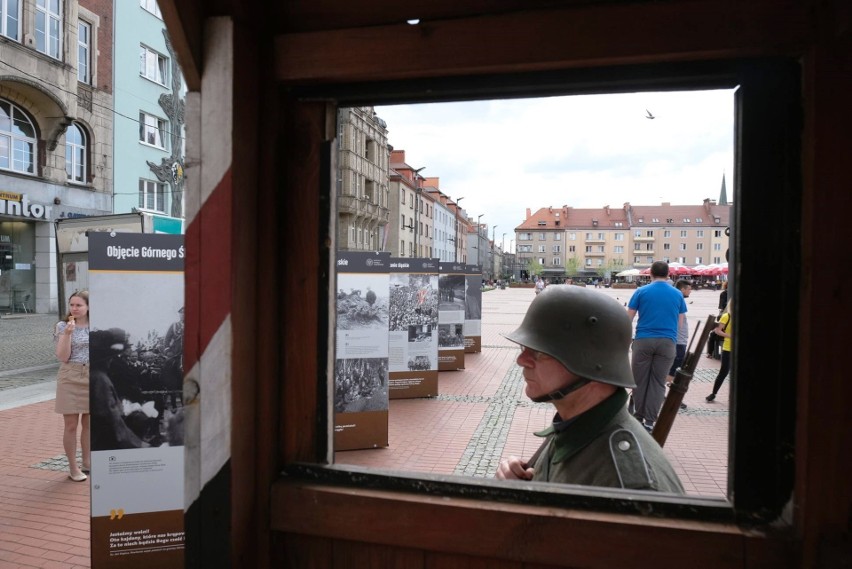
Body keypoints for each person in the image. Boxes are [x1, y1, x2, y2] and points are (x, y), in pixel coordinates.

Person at [495, 285, 684, 493]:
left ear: (591, 364)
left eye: (539, 352)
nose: (522, 360)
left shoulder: (626, 487)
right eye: (524, 348)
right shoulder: (576, 425)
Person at [626, 261, 687, 432]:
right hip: (667, 342)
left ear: (651, 273)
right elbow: (680, 323)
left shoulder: (641, 291)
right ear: (668, 274)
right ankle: (650, 421)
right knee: (658, 382)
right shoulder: (677, 294)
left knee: (639, 381)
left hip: (644, 340)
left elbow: (628, 318)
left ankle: (638, 417)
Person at [54, 290, 91, 482]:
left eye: (79, 305)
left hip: (93, 376)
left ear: (88, 307)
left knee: (89, 424)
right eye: (72, 305)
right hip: (70, 375)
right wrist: (67, 334)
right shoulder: (63, 326)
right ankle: (73, 467)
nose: (74, 309)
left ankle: (87, 461)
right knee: (70, 425)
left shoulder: (96, 325)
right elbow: (62, 357)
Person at [665, 280, 693, 409]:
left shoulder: (676, 300)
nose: (690, 291)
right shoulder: (677, 300)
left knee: (675, 367)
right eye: (688, 289)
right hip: (677, 340)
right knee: (674, 367)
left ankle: (666, 392)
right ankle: (666, 392)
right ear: (682, 289)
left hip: (679, 340)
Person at [706, 299, 733, 402]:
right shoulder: (727, 316)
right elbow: (717, 331)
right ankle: (713, 393)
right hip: (728, 348)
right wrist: (730, 335)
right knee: (723, 372)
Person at [706, 282, 728, 359]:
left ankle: (710, 353)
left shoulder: (723, 294)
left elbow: (721, 308)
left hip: (725, 331)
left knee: (712, 335)